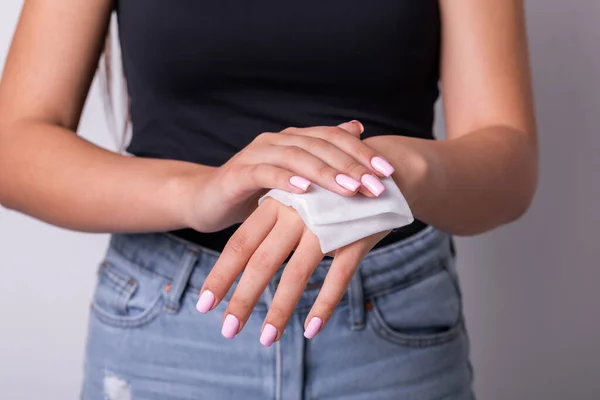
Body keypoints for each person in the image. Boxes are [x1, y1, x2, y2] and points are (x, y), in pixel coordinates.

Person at [0, 0, 537, 399]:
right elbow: (14, 144)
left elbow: (508, 161)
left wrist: (385, 172)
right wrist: (200, 192)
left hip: (389, 317)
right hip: (168, 321)